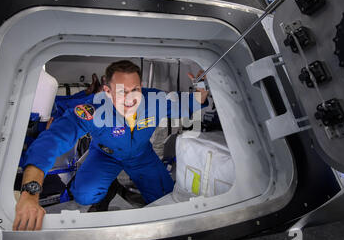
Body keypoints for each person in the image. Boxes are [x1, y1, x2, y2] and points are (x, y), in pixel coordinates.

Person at [13, 60, 209, 231]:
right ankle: (106, 185)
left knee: (165, 199)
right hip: (105, 155)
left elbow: (190, 103)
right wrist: (30, 193)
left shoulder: (154, 101)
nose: (131, 98)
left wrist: (201, 85)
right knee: (84, 196)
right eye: (122, 92)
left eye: (135, 90)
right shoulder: (91, 109)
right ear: (107, 91)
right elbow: (51, 141)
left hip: (141, 156)